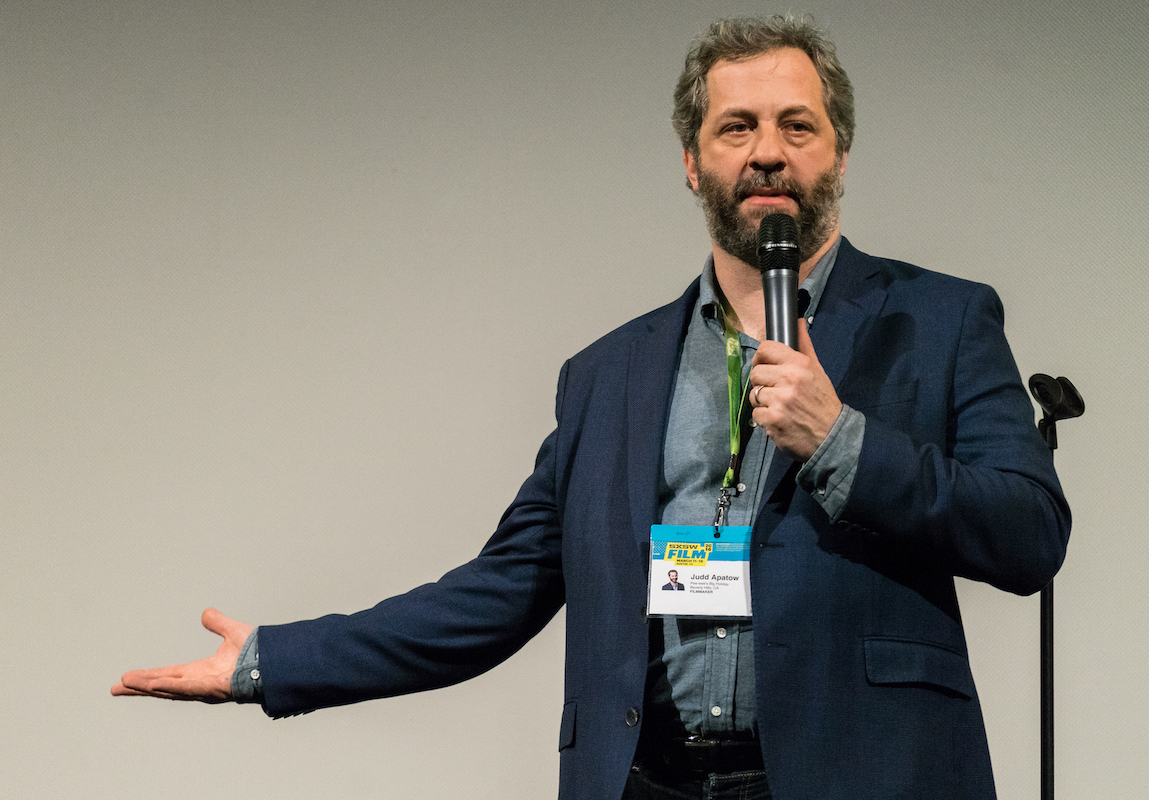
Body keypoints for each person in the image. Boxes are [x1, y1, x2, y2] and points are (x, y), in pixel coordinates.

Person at [113, 14, 1069, 800]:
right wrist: (273, 662)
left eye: (797, 126)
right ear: (692, 163)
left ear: (840, 156)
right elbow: (501, 590)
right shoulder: (608, 372)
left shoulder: (941, 319)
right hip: (647, 783)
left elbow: (1030, 533)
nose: (768, 153)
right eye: (737, 128)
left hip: (867, 778)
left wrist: (843, 441)